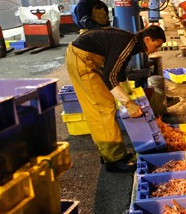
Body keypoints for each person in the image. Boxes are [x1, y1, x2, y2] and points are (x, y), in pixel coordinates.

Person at [65, 25, 166, 172]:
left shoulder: (131, 43)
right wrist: (129, 104)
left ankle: (109, 153)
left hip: (86, 58)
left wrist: (129, 94)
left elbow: (119, 73)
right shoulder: (127, 43)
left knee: (105, 105)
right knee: (103, 109)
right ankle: (114, 160)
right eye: (156, 46)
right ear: (147, 39)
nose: (155, 50)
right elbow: (109, 76)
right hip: (82, 60)